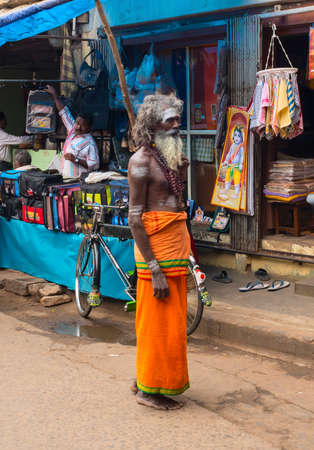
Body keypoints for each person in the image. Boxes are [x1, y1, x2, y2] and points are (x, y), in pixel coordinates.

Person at [128, 94, 190, 410]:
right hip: (157, 257)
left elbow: (176, 202)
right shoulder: (140, 161)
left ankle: (146, 378)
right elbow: (135, 217)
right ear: (154, 125)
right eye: (171, 121)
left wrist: (182, 173)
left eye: (178, 119)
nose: (178, 126)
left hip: (174, 249)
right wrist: (153, 267)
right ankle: (148, 391)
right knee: (156, 325)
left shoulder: (167, 158)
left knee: (171, 325)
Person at [45, 85, 99, 178]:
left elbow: (95, 165)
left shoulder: (90, 143)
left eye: (82, 125)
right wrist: (55, 95)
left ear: (89, 127)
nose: (78, 127)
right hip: (66, 178)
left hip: (77, 182)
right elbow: (64, 112)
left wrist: (75, 159)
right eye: (77, 123)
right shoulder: (73, 131)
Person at [222, 126, 244, 198]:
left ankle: (237, 192)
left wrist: (241, 163)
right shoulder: (232, 145)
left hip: (237, 166)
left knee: (236, 179)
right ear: (233, 137)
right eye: (235, 135)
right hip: (230, 165)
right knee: (228, 177)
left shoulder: (241, 147)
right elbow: (229, 153)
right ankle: (226, 189)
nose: (237, 137)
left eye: (239, 136)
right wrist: (226, 160)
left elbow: (242, 156)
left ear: (241, 138)